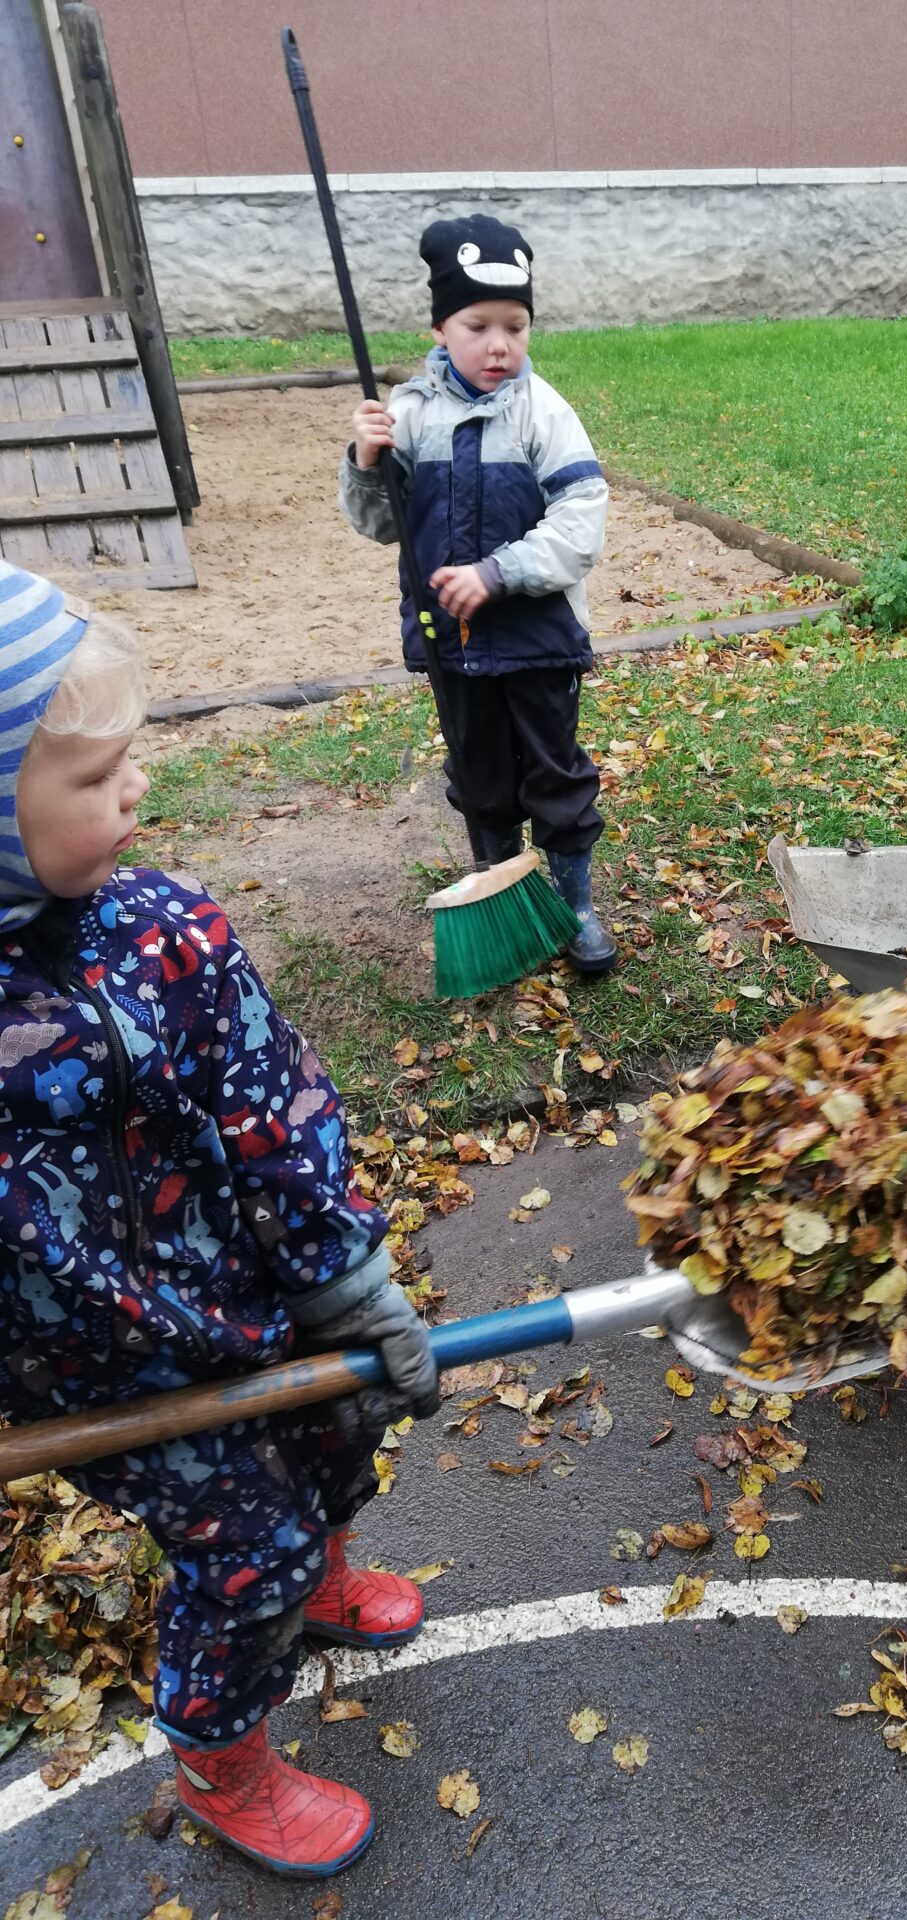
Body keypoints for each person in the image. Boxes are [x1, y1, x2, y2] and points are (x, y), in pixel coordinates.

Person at [0, 561, 438, 1878]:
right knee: (244, 1550)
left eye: (129, 760)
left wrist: (345, 1274)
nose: (133, 789)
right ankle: (221, 1763)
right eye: (90, 779)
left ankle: (324, 1579)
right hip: (98, 1371)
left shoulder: (167, 928)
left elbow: (276, 1106)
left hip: (257, 1299)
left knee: (343, 1427)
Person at [340, 211, 617, 971]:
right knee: (480, 776)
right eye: (478, 325)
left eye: (516, 326)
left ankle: (574, 904)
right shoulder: (408, 414)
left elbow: (582, 520)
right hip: (452, 647)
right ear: (439, 328)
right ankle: (500, 888)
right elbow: (377, 524)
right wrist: (367, 460)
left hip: (536, 643)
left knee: (554, 775)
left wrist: (498, 573)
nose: (499, 345)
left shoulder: (543, 412)